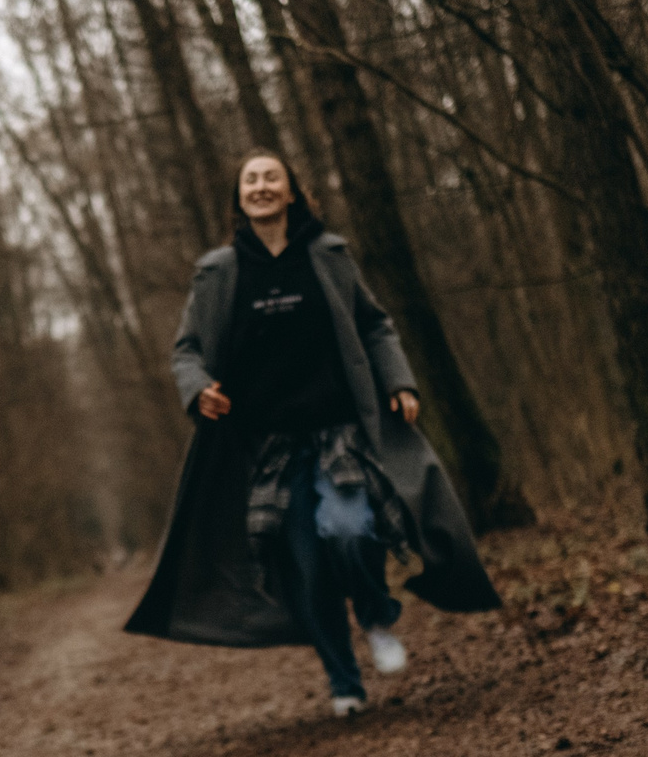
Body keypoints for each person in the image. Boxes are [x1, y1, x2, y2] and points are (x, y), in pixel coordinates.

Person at [126, 150, 501, 712]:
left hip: (341, 431)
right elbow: (186, 351)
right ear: (239, 197)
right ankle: (343, 682)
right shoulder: (219, 272)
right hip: (269, 447)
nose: (261, 186)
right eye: (251, 180)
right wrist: (197, 387)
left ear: (292, 191)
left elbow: (375, 325)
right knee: (306, 566)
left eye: (271, 177)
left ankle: (375, 616)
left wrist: (400, 382)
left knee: (351, 530)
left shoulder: (328, 255)